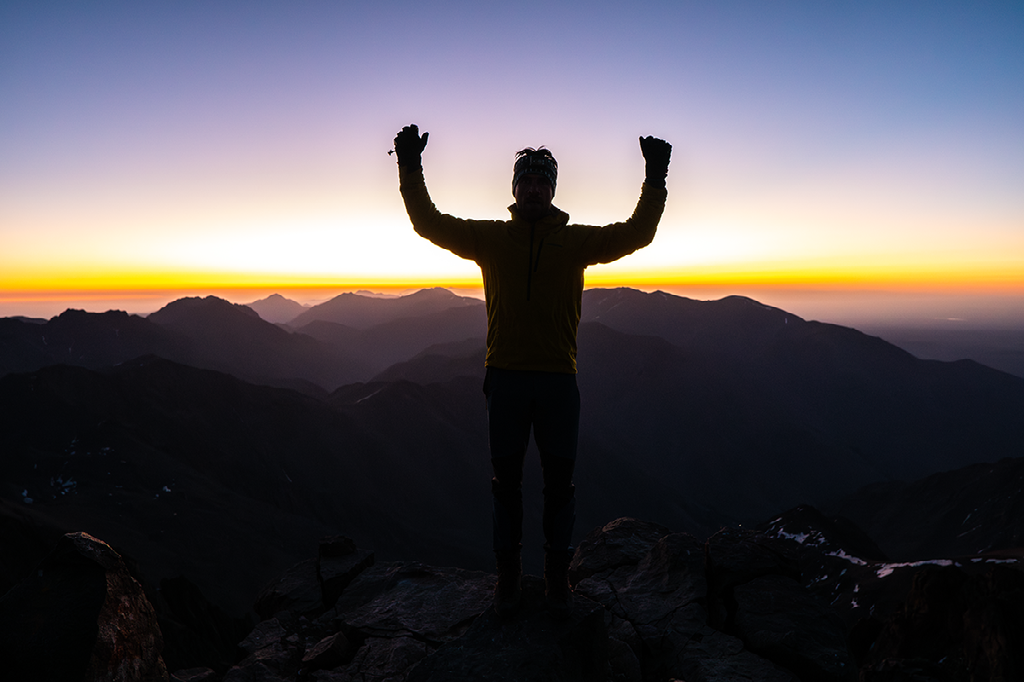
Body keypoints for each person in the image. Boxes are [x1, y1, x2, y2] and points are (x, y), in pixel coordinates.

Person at [392, 124, 671, 618]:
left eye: (544, 180)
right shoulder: (491, 238)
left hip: (558, 379)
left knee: (559, 486)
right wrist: (409, 166)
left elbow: (636, 234)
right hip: (506, 377)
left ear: (553, 190)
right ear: (515, 188)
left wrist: (654, 179)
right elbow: (429, 222)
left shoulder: (575, 242)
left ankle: (557, 578)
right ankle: (508, 578)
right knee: (507, 484)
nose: (536, 187)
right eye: (528, 179)